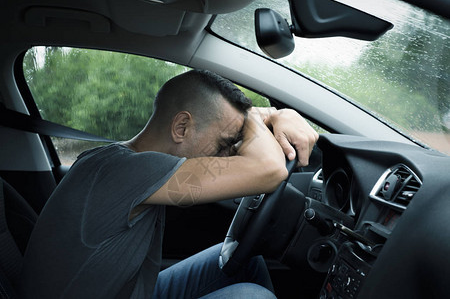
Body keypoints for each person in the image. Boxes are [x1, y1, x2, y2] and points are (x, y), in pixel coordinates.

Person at [19, 69, 318, 298]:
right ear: (181, 127)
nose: (231, 154)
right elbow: (268, 170)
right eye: (226, 142)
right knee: (253, 296)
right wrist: (257, 114)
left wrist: (271, 116)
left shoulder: (118, 161)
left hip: (132, 290)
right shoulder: (129, 170)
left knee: (246, 261)